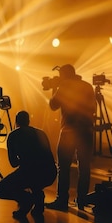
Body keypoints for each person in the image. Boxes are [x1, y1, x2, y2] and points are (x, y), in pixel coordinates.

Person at [45, 64, 97, 211]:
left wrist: (55, 87)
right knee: (84, 166)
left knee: (63, 166)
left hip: (69, 130)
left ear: (64, 75)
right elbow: (93, 108)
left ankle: (62, 201)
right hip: (86, 130)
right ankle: (81, 200)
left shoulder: (65, 85)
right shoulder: (87, 86)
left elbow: (53, 105)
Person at [0, 111, 57, 218]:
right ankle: (38, 198)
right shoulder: (41, 133)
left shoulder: (13, 135)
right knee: (33, 174)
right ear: (28, 121)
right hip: (49, 174)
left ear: (16, 122)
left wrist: (23, 158)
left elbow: (13, 163)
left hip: (29, 173)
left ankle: (26, 199)